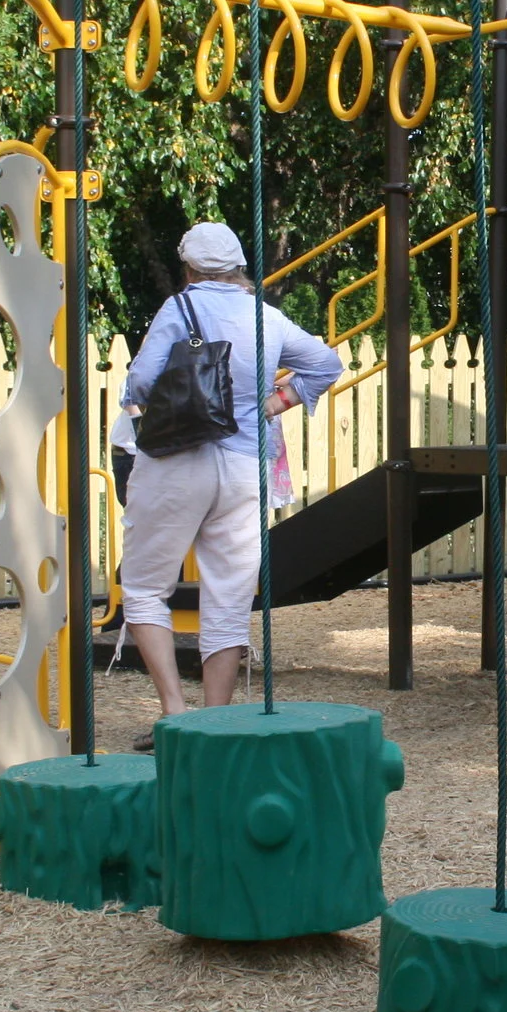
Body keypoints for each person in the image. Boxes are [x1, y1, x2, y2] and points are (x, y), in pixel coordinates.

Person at [120, 221, 344, 746]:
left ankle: (175, 713)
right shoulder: (267, 318)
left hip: (178, 460)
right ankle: (212, 723)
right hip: (245, 467)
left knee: (147, 587)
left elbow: (143, 381)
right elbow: (326, 363)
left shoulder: (180, 309)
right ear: (240, 266)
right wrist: (273, 402)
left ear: (189, 267)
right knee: (227, 596)